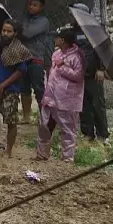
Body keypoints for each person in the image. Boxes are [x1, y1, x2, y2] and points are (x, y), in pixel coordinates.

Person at [0, 19, 31, 158]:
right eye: (4, 30)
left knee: (11, 121)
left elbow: (20, 71)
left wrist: (3, 86)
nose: (5, 33)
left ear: (15, 33)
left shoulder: (19, 49)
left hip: (10, 90)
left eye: (9, 31)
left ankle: (8, 151)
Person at [37, 28, 85, 162]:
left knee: (68, 129)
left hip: (67, 100)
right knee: (45, 125)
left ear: (62, 40)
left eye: (57, 37)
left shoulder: (77, 56)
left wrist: (63, 66)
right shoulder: (56, 53)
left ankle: (67, 159)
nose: (55, 39)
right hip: (51, 96)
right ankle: (42, 154)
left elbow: (79, 76)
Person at [74, 8, 110, 142]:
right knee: (83, 104)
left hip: (94, 74)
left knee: (98, 104)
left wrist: (101, 68)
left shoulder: (95, 30)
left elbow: (103, 49)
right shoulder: (74, 31)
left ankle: (102, 134)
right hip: (79, 74)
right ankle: (87, 133)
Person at [19, 0, 52, 124]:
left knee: (38, 88)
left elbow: (27, 33)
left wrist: (20, 29)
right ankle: (26, 116)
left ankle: (44, 117)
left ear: (41, 7)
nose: (31, 7)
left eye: (35, 5)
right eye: (30, 4)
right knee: (24, 88)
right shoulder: (25, 17)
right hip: (23, 58)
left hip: (36, 59)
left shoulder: (44, 21)